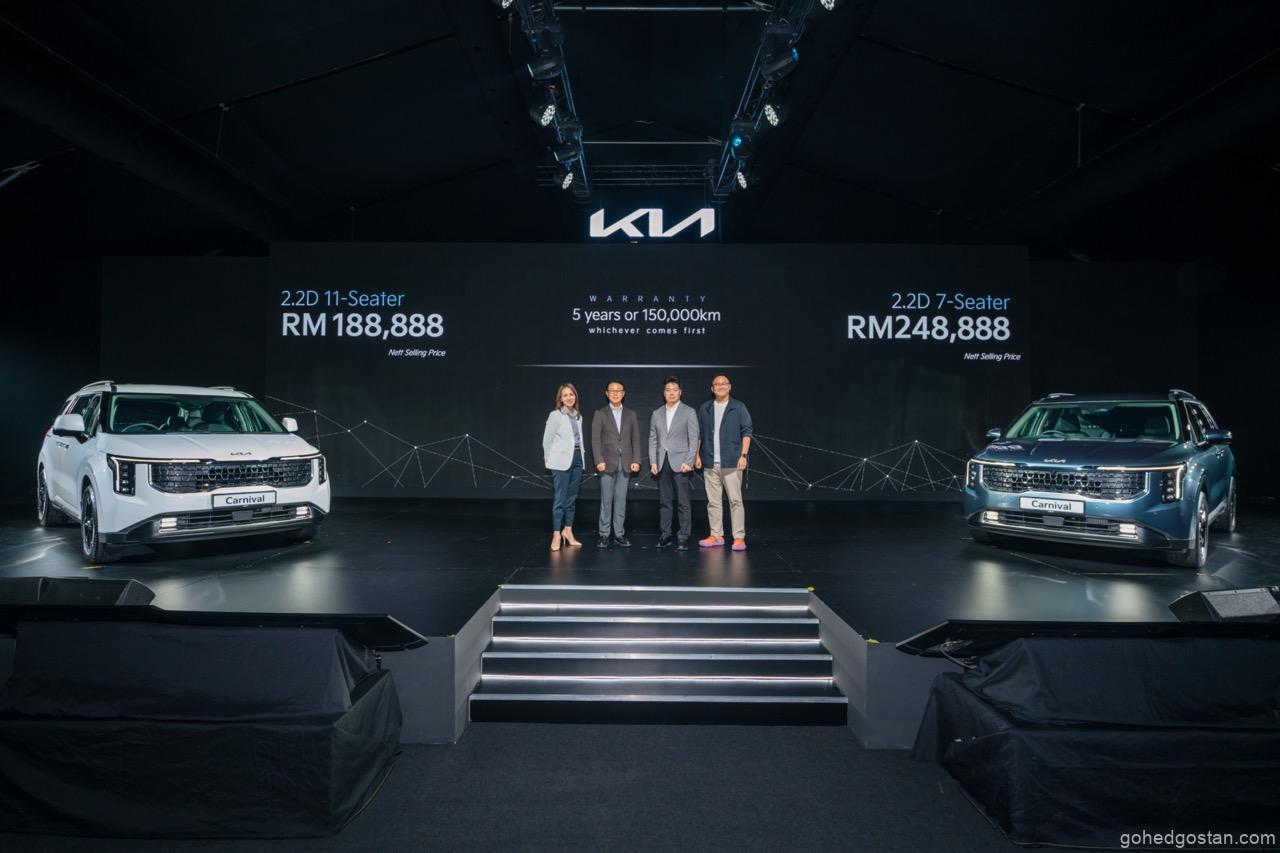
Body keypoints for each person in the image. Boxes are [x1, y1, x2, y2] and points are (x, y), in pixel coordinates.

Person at [696, 374, 753, 551]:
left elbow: (747, 431)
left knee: (735, 501)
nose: (720, 386)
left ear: (729, 387)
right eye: (717, 384)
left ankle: (739, 537)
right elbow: (699, 434)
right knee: (713, 502)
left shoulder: (738, 407)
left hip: (732, 462)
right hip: (709, 461)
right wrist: (697, 455)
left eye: (724, 383)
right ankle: (716, 535)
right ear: (712, 389)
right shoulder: (705, 408)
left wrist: (743, 455)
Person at [648, 376, 699, 550]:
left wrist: (689, 461)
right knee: (665, 502)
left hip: (682, 463)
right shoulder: (656, 413)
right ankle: (665, 535)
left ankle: (683, 536)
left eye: (674, 390)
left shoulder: (689, 412)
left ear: (680, 392)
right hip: (662, 463)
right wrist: (653, 462)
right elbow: (652, 439)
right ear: (664, 393)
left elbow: (694, 438)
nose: (671, 393)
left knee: (683, 502)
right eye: (668, 390)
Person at [591, 380, 642, 548]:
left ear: (623, 393)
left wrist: (636, 460)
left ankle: (619, 534)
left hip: (625, 463)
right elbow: (595, 440)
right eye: (612, 391)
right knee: (606, 501)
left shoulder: (631, 414)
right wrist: (598, 460)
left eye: (618, 390)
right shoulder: (600, 413)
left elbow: (635, 439)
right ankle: (604, 535)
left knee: (621, 501)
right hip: (606, 463)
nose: (615, 393)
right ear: (607, 393)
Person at [542, 383, 586, 551]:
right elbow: (547, 440)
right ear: (560, 399)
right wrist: (549, 460)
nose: (569, 397)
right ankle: (556, 535)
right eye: (565, 395)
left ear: (575, 396)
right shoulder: (555, 415)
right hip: (560, 461)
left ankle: (568, 531)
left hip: (577, 458)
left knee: (572, 498)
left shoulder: (578, 416)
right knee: (560, 499)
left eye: (571, 394)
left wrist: (581, 459)